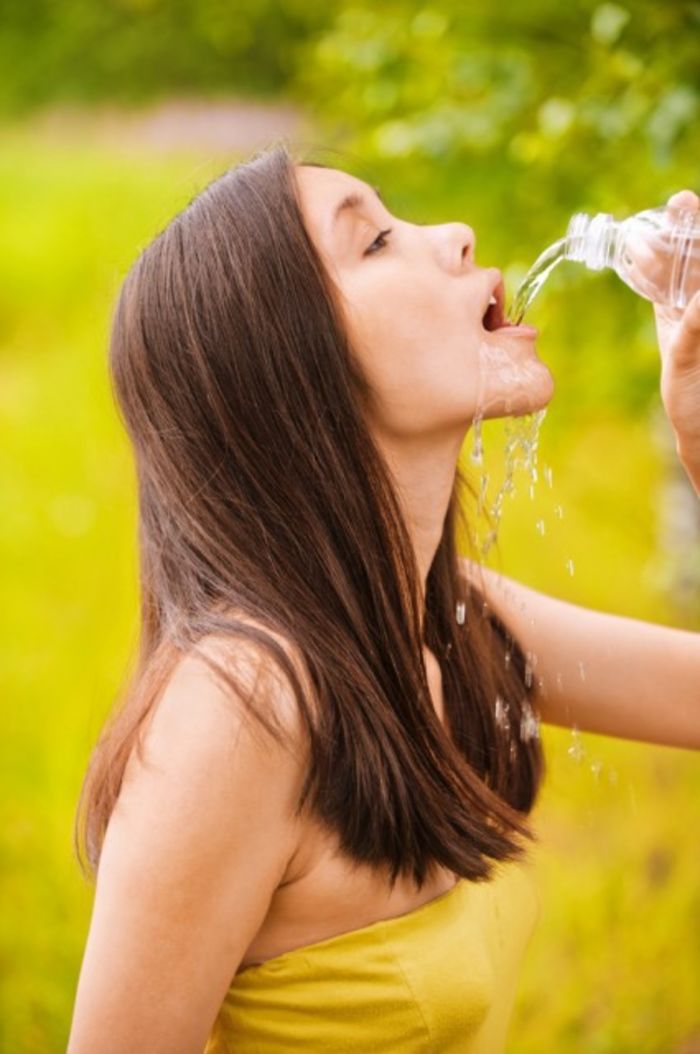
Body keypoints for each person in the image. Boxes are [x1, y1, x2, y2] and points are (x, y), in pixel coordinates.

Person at [67, 143, 700, 1054]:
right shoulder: (242, 703)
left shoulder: (444, 621)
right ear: (288, 368)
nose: (455, 236)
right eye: (373, 243)